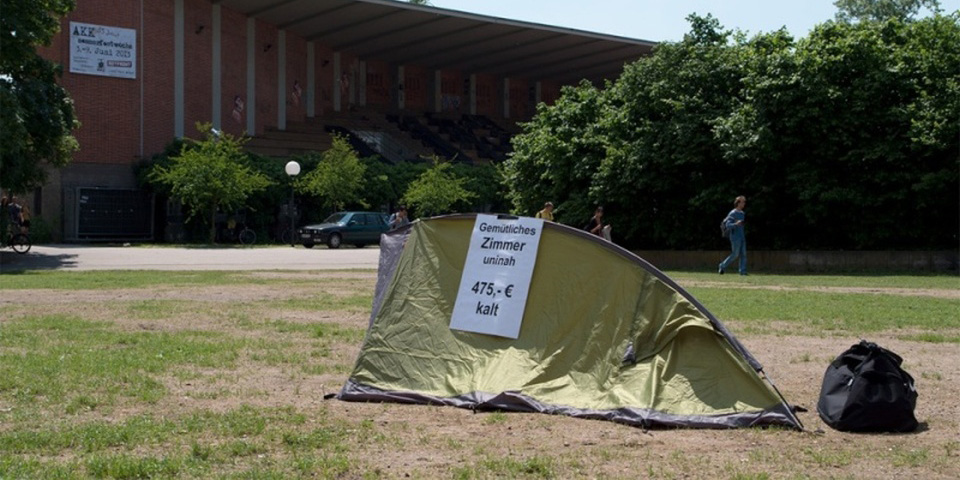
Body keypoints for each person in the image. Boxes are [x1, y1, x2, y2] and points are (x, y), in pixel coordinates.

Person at [719, 195, 747, 275]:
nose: (744, 203)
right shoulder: (733, 213)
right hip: (735, 237)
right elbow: (728, 225)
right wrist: (736, 224)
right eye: (743, 202)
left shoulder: (742, 213)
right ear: (738, 203)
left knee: (743, 254)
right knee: (735, 254)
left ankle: (743, 272)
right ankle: (722, 265)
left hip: (742, 236)